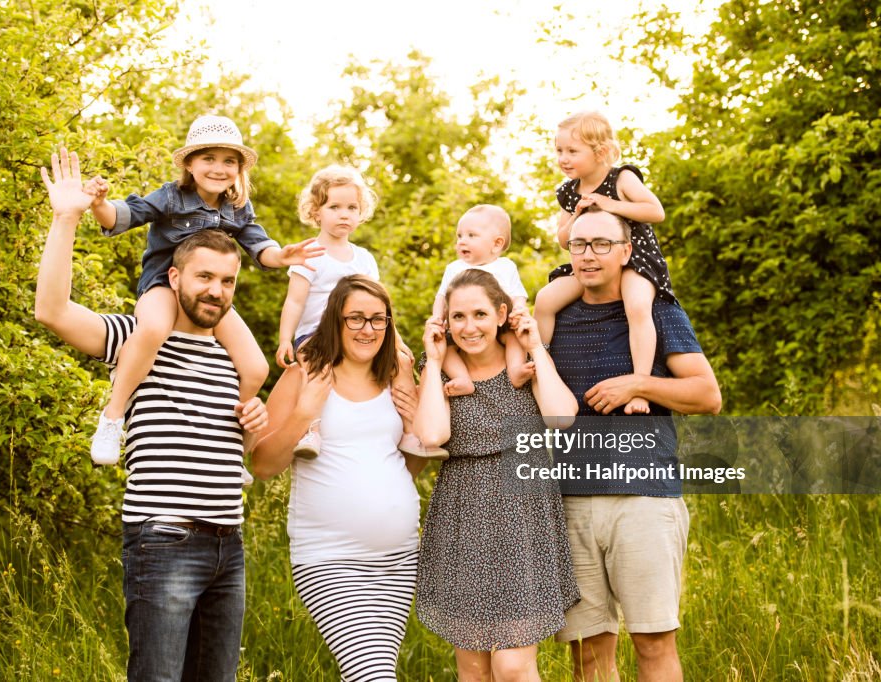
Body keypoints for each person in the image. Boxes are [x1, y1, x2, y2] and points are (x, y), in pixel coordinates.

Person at [35, 148, 269, 681]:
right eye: (204, 277)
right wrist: (66, 218)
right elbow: (51, 311)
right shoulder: (134, 340)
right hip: (162, 539)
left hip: (227, 544)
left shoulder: (234, 357)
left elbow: (236, 450)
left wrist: (251, 433)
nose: (215, 290)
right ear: (174, 278)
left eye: (227, 281)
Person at [82, 114, 323, 465]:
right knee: (151, 329)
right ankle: (113, 417)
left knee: (256, 368)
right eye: (208, 158)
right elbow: (123, 216)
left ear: (239, 169)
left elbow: (259, 247)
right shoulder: (171, 197)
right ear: (191, 164)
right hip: (165, 286)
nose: (219, 168)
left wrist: (282, 256)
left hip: (208, 299)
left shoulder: (237, 208)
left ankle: (233, 448)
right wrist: (99, 204)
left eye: (229, 161)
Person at [548, 207, 722, 682]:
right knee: (587, 651)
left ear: (627, 252)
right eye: (579, 244)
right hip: (570, 502)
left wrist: (638, 385)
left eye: (602, 244)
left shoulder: (657, 310)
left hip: (643, 499)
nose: (588, 255)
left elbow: (708, 396)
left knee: (652, 642)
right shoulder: (554, 314)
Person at [252, 275, 425, 682]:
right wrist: (303, 413)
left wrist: (415, 422)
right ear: (335, 320)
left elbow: (407, 468)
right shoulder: (306, 375)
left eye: (378, 319)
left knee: (370, 672)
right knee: (374, 676)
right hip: (331, 558)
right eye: (356, 319)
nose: (368, 329)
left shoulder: (394, 380)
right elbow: (262, 465)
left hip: (397, 560)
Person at [414, 268, 581, 682]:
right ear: (445, 321)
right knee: (474, 670)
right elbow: (433, 433)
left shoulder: (523, 365)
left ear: (502, 313)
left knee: (511, 667)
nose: (469, 327)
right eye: (458, 317)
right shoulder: (440, 371)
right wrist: (434, 362)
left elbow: (561, 417)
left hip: (524, 521)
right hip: (463, 519)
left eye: (480, 314)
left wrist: (536, 347)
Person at [275, 165, 443, 460]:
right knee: (315, 367)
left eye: (352, 207)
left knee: (401, 362)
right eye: (334, 206)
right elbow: (295, 302)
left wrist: (399, 342)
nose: (344, 214)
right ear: (316, 212)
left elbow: (380, 308)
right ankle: (311, 430)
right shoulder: (309, 253)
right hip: (315, 334)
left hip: (362, 331)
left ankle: (410, 431)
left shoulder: (363, 258)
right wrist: (285, 338)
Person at [534, 111, 671, 416]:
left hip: (634, 258)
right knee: (545, 300)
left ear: (600, 152)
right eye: (559, 150)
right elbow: (562, 238)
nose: (563, 158)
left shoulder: (621, 178)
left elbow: (655, 211)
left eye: (572, 151)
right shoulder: (569, 192)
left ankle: (641, 385)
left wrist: (611, 205)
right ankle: (540, 368)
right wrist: (578, 215)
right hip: (591, 261)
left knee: (637, 306)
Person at [430, 204, 533, 396]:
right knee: (447, 349)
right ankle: (462, 378)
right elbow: (441, 296)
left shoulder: (505, 266)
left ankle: (515, 371)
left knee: (513, 339)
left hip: (503, 323)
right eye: (459, 236)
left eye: (471, 236)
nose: (462, 242)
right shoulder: (455, 268)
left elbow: (518, 293)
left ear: (496, 244)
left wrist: (519, 309)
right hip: (463, 327)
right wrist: (437, 317)